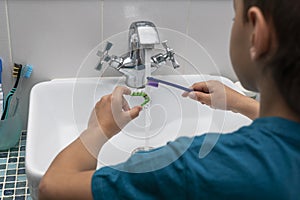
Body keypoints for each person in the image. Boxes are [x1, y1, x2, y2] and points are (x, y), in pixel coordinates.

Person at [39, 0, 300, 199]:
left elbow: (52, 187)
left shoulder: (192, 167)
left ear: (258, 33)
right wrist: (242, 103)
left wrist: (98, 130)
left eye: (235, 18)